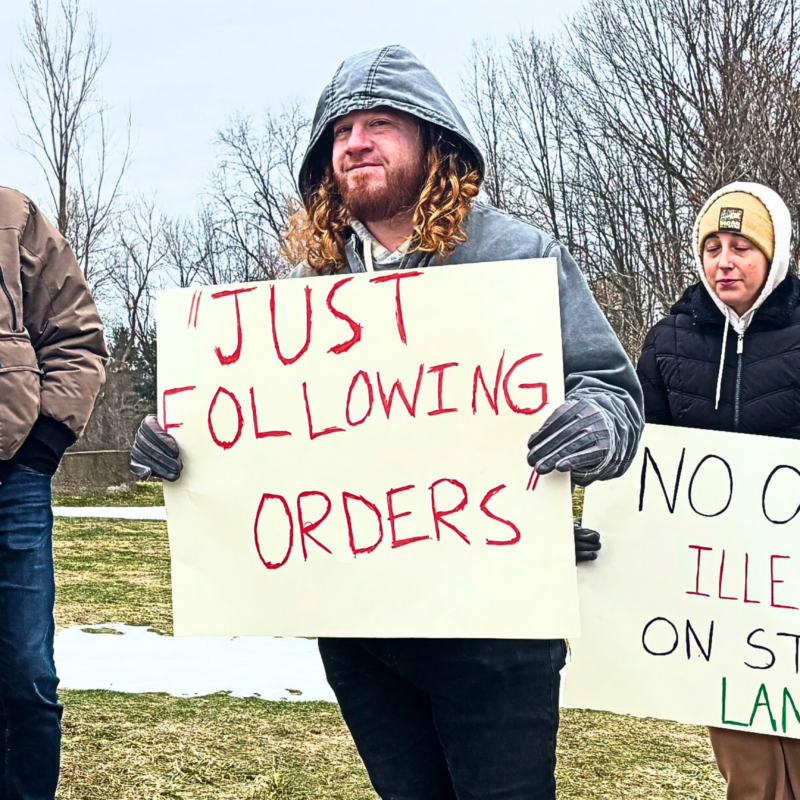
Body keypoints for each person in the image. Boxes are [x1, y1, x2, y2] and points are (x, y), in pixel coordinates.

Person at [133, 45, 642, 799]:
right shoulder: (306, 290)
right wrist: (187, 451)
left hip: (495, 621)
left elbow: (613, 390)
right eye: (339, 133)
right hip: (360, 624)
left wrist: (598, 423)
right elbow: (265, 437)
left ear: (434, 140)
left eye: (378, 124)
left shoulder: (518, 257)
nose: (356, 144)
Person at [637, 181, 799, 799]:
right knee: (748, 772)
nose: (724, 262)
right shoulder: (668, 341)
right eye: (713, 247)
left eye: (741, 247)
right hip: (717, 603)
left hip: (794, 585)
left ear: (776, 255)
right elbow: (644, 463)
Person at [0, 187, 107, 800]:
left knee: (26, 676)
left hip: (13, 481)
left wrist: (41, 448)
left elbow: (76, 336)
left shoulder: (14, 217)